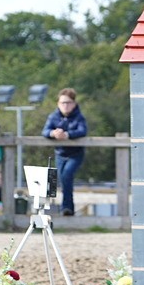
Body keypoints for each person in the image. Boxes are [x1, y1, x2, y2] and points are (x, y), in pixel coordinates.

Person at [42, 88, 88, 216]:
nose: (65, 106)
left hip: (76, 154)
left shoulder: (79, 117)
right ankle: (68, 208)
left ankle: (66, 207)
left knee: (67, 175)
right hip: (60, 154)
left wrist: (67, 134)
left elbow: (82, 131)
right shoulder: (53, 116)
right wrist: (53, 133)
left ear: (74, 104)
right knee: (63, 180)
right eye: (63, 103)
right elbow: (45, 131)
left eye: (68, 103)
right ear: (58, 103)